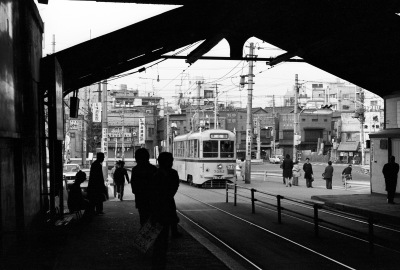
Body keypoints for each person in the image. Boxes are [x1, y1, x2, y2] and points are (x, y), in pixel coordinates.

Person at [149, 152, 180, 269]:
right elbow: (173, 190)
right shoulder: (172, 174)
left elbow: (152, 192)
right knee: (163, 239)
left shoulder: (155, 174)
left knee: (158, 240)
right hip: (166, 209)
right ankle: (159, 263)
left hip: (157, 210)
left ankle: (157, 263)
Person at [131, 148, 158, 226]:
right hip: (152, 199)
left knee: (143, 219)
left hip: (140, 199)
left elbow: (134, 187)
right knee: (152, 219)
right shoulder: (153, 169)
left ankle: (144, 236)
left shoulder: (135, 170)